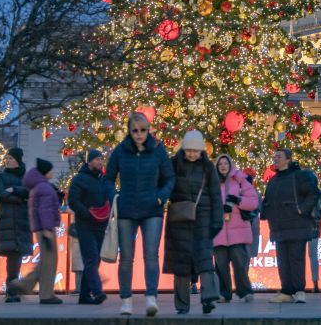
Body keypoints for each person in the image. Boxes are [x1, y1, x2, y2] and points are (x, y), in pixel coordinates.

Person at [104, 111, 175, 316]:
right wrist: (114, 197)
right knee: (126, 258)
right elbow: (108, 178)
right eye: (135, 130)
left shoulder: (158, 151)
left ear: (148, 130)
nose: (139, 134)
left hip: (152, 209)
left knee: (151, 255)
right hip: (126, 210)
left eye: (143, 130)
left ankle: (151, 298)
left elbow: (170, 178)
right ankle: (126, 300)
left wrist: (160, 197)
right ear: (129, 130)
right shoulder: (120, 151)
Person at [163, 131, 222, 315]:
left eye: (196, 151)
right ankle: (182, 305)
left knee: (204, 259)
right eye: (189, 150)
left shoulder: (208, 167)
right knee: (181, 263)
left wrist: (216, 221)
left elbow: (215, 196)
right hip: (179, 219)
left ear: (202, 150)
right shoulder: (173, 164)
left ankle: (209, 298)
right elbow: (165, 186)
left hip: (202, 218)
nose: (192, 154)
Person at [261, 148, 320, 304]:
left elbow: (313, 194)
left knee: (296, 259)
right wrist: (265, 212)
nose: (275, 159)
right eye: (274, 156)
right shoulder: (273, 180)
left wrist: (302, 209)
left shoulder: (298, 176)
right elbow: (267, 200)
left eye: (279, 156)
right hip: (278, 226)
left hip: (297, 225)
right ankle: (286, 291)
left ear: (288, 159)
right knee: (283, 261)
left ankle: (299, 291)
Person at [9, 159, 62, 304]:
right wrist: (47, 229)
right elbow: (44, 210)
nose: (52, 172)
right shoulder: (44, 188)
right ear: (45, 172)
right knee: (49, 262)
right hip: (46, 229)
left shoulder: (38, 187)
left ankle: (26, 285)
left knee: (46, 262)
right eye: (50, 170)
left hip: (42, 228)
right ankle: (44, 294)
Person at [213, 153, 259, 304]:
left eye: (226, 163)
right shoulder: (211, 182)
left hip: (237, 230)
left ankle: (245, 291)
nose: (223, 166)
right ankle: (224, 293)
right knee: (220, 265)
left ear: (230, 165)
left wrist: (237, 200)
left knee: (239, 262)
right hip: (219, 230)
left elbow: (253, 202)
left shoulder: (240, 180)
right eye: (220, 164)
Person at [67, 149, 110, 305]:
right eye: (97, 159)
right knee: (91, 258)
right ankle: (97, 292)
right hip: (85, 225)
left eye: (101, 159)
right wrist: (86, 213)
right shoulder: (79, 179)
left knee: (95, 259)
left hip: (100, 224)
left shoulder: (103, 179)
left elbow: (108, 198)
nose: (100, 162)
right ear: (89, 161)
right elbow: (72, 200)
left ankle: (84, 296)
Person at [0, 147, 33, 303]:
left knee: (17, 257)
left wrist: (14, 189)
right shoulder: (1, 177)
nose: (7, 160)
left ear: (17, 160)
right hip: (8, 222)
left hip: (22, 222)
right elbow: (0, 194)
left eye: (10, 158)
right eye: (7, 158)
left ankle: (12, 289)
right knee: (12, 256)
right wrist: (19, 198)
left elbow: (30, 192)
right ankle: (11, 290)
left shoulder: (26, 176)